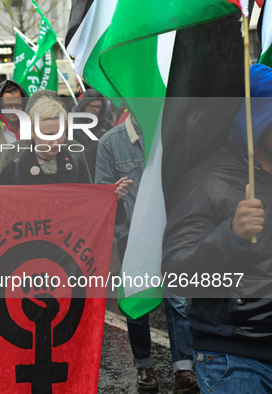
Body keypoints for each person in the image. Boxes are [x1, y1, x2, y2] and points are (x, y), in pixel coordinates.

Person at [162, 63, 272, 392]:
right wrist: (231, 234)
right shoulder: (207, 179)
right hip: (237, 359)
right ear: (258, 119)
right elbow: (176, 274)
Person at [95, 114, 197, 393]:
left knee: (176, 301)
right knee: (138, 303)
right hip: (132, 237)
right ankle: (145, 366)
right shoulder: (110, 142)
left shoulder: (175, 136)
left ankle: (184, 369)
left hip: (171, 234)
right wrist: (114, 194)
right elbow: (101, 193)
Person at [0, 97, 93, 185]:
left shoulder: (77, 167)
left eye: (61, 134)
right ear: (31, 131)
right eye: (48, 135)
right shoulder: (13, 171)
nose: (55, 142)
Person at [74, 89, 113, 180]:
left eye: (99, 107)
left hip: (101, 172)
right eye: (93, 106)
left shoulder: (105, 124)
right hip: (79, 172)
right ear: (84, 105)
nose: (97, 110)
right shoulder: (71, 122)